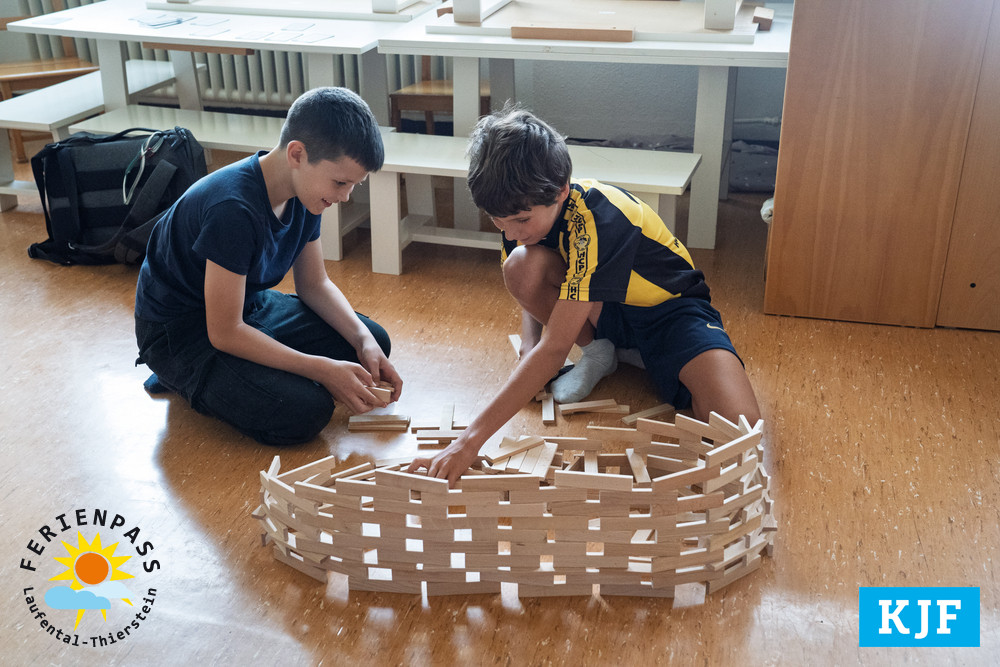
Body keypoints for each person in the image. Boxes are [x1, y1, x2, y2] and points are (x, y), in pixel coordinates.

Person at [410, 106, 760, 484]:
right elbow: (528, 287)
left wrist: (467, 443)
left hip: (671, 314)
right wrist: (528, 346)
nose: (510, 233)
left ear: (561, 190)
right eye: (498, 221)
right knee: (521, 264)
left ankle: (641, 356)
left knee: (740, 430)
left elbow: (556, 348)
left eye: (520, 220)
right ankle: (601, 352)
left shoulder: (601, 218)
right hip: (602, 310)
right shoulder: (517, 209)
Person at [134, 87, 402, 446]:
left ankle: (256, 366)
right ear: (297, 154)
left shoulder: (306, 193)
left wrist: (362, 339)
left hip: (246, 306)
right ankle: (179, 375)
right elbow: (224, 332)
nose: (344, 196)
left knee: (373, 342)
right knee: (307, 411)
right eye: (340, 182)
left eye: (353, 185)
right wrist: (322, 369)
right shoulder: (232, 208)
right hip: (183, 334)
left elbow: (314, 285)